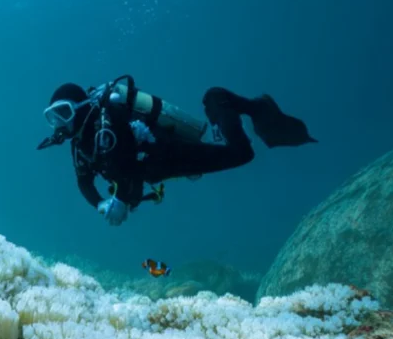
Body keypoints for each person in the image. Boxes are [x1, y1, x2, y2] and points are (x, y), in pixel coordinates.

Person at [37, 75, 316, 226]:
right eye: (53, 117)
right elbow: (84, 181)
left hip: (170, 154)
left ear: (81, 108)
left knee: (241, 154)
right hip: (160, 168)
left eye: (63, 113)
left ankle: (224, 100)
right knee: (233, 154)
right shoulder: (80, 143)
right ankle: (237, 107)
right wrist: (100, 203)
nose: (60, 123)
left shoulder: (108, 123)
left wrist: (119, 200)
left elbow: (126, 166)